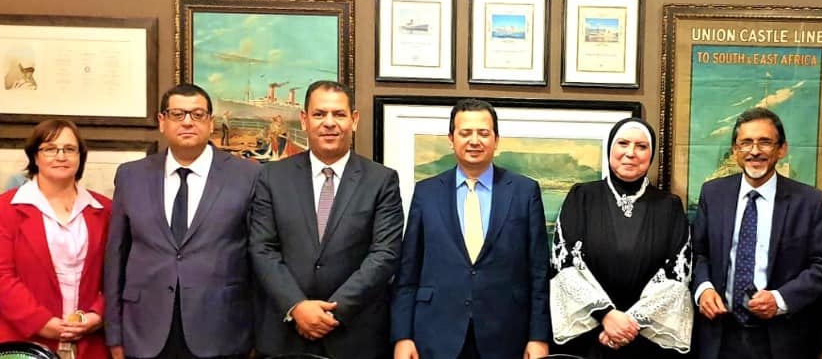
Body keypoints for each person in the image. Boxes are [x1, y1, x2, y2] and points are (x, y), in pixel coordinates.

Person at [103, 84, 262, 359]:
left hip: (222, 330)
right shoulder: (131, 176)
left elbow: (259, 257)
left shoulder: (247, 176)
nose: (188, 122)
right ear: (162, 121)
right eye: (177, 114)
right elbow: (116, 256)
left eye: (197, 114)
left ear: (211, 122)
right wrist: (114, 333)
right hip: (144, 330)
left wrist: (259, 334)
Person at [249, 81, 403, 359]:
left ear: (354, 120)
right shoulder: (272, 177)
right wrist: (297, 306)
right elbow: (262, 249)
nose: (329, 123)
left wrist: (333, 311)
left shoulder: (382, 181)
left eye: (339, 114)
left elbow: (384, 254)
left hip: (354, 335)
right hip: (285, 334)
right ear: (304, 120)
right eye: (319, 114)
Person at [391, 98, 551, 359]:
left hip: (506, 334)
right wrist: (402, 336)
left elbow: (539, 272)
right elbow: (408, 271)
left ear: (496, 140)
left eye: (483, 133)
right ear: (451, 139)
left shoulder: (524, 191)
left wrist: (539, 337)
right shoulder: (426, 192)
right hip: (435, 333)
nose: (474, 140)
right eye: (465, 133)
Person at [691, 107, 822, 359]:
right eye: (746, 143)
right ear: (735, 150)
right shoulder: (713, 194)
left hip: (781, 338)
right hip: (720, 334)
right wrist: (703, 288)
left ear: (782, 149)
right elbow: (698, 252)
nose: (755, 151)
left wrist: (780, 299)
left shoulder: (810, 202)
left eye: (765, 142)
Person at [549, 118, 693, 358]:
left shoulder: (669, 206)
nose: (631, 153)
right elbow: (563, 265)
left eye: (641, 146)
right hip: (589, 337)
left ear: (651, 154)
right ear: (610, 148)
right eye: (623, 143)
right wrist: (606, 315)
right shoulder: (581, 196)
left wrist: (629, 324)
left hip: (647, 340)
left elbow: (678, 277)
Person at [0, 119, 111, 359]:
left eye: (69, 149)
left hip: (89, 342)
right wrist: (40, 321)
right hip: (19, 342)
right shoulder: (5, 207)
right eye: (50, 149)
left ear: (80, 157)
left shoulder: (104, 209)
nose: (61, 156)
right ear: (35, 156)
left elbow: (118, 275)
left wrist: (97, 315)